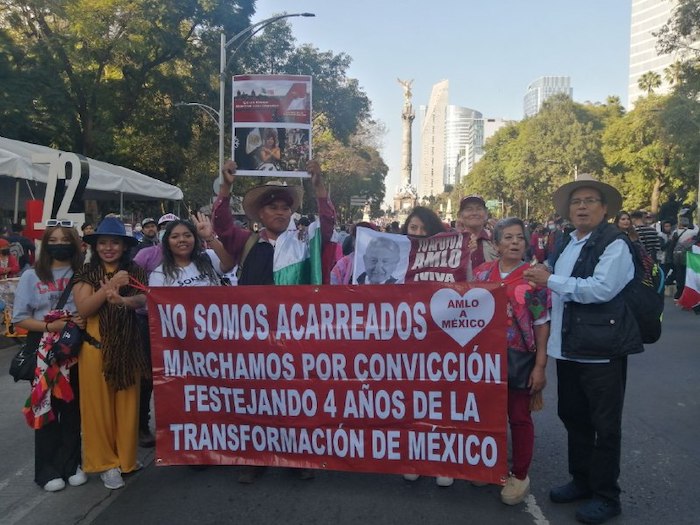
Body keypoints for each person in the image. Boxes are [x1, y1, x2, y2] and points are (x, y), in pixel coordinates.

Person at [523, 174, 643, 524]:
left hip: (602, 348)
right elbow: (554, 276)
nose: (582, 207)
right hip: (570, 346)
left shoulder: (614, 242)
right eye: (576, 202)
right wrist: (537, 273)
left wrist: (551, 280)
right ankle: (582, 480)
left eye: (590, 201)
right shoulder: (566, 241)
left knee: (604, 425)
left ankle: (607, 495)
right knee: (573, 417)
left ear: (604, 209)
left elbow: (600, 289)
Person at [213, 159, 335, 482]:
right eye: (273, 208)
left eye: (285, 207)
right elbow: (222, 226)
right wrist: (225, 188)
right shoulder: (247, 242)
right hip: (253, 338)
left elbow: (328, 224)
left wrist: (319, 188)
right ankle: (255, 457)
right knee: (255, 399)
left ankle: (297, 457)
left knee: (294, 397)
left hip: (296, 337)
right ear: (260, 214)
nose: (280, 212)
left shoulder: (304, 242)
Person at [473, 218, 550, 505]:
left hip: (519, 360)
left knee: (518, 417)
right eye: (508, 237)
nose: (515, 242)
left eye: (519, 237)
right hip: (482, 361)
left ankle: (519, 475)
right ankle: (489, 467)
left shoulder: (535, 277)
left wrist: (540, 365)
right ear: (496, 244)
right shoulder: (481, 274)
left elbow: (542, 323)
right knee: (485, 416)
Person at [73, 217, 149, 490]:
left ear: (123, 246)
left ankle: (127, 460)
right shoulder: (86, 273)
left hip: (129, 349)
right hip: (95, 350)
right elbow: (83, 310)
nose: (108, 248)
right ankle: (105, 464)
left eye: (114, 242)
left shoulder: (134, 269)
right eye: (103, 242)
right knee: (98, 410)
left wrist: (125, 300)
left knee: (128, 407)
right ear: (95, 246)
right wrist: (110, 287)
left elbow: (143, 298)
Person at [12, 222, 86, 492]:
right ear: (45, 244)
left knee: (72, 410)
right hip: (44, 351)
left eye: (64, 239)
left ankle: (72, 464)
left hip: (75, 350)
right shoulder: (32, 276)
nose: (59, 244)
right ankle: (47, 470)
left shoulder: (83, 273)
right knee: (46, 408)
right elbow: (20, 317)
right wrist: (49, 327)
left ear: (75, 243)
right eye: (52, 239)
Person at [131, 212, 179, 447]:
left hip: (181, 329)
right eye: (164, 227)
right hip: (148, 324)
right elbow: (132, 286)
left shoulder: (195, 256)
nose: (169, 231)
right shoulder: (145, 255)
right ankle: (142, 426)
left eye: (173, 226)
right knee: (148, 376)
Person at [148, 215, 234, 287]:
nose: (182, 240)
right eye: (175, 237)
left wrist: (209, 237)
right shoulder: (159, 275)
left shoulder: (209, 257)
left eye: (187, 235)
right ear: (167, 242)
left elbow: (229, 263)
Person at [457, 194, 497, 270]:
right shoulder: (452, 242)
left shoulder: (495, 239)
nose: (474, 213)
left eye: (479, 209)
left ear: (486, 214)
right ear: (460, 215)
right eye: (469, 209)